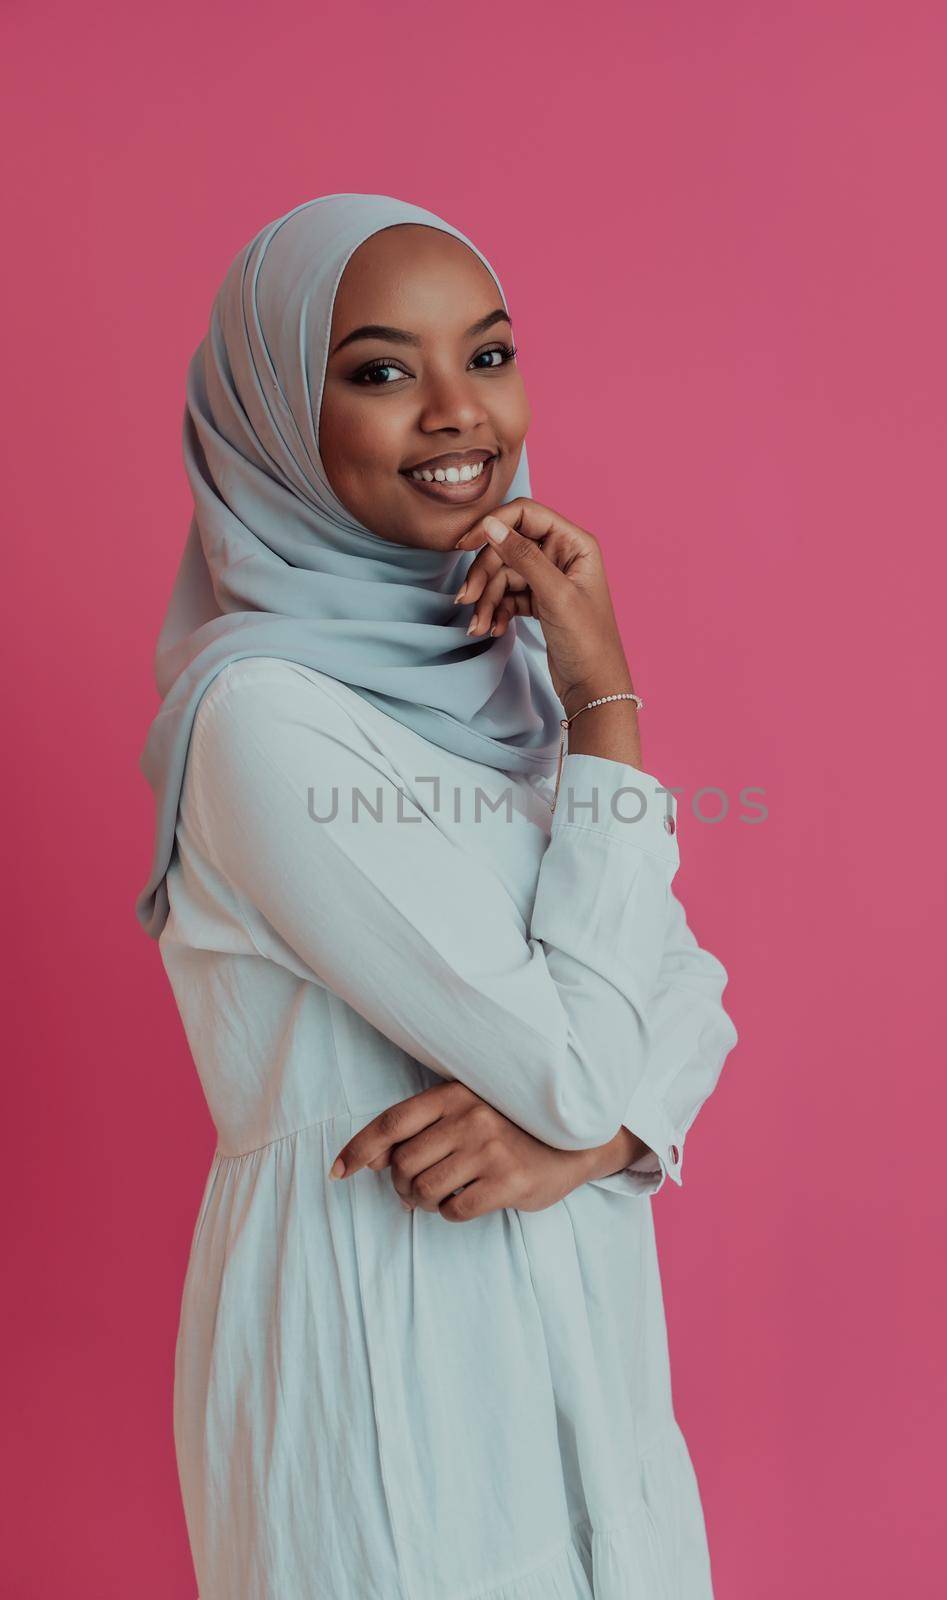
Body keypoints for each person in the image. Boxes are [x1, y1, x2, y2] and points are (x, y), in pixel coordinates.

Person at [135, 193, 739, 1600]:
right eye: (381, 370)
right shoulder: (264, 723)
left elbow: (690, 996)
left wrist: (587, 1149)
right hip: (380, 1349)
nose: (461, 414)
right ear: (278, 411)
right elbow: (587, 1057)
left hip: (587, 1333)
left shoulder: (494, 678)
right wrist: (608, 697)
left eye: (489, 354)